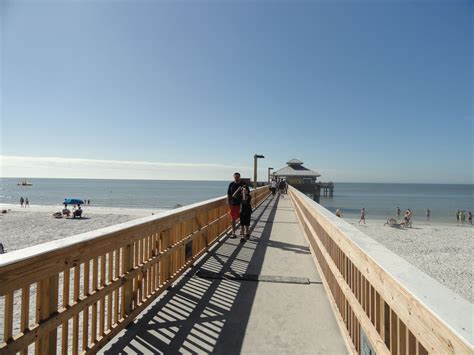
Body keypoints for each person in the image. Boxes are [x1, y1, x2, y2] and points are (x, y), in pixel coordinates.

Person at [227, 172, 244, 238]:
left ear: (240, 177)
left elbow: (246, 194)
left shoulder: (242, 184)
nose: (236, 178)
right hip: (233, 204)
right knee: (233, 219)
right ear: (234, 177)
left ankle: (241, 231)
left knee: (242, 218)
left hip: (241, 204)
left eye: (237, 177)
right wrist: (229, 203)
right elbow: (229, 194)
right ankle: (233, 232)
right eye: (235, 177)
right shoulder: (231, 184)